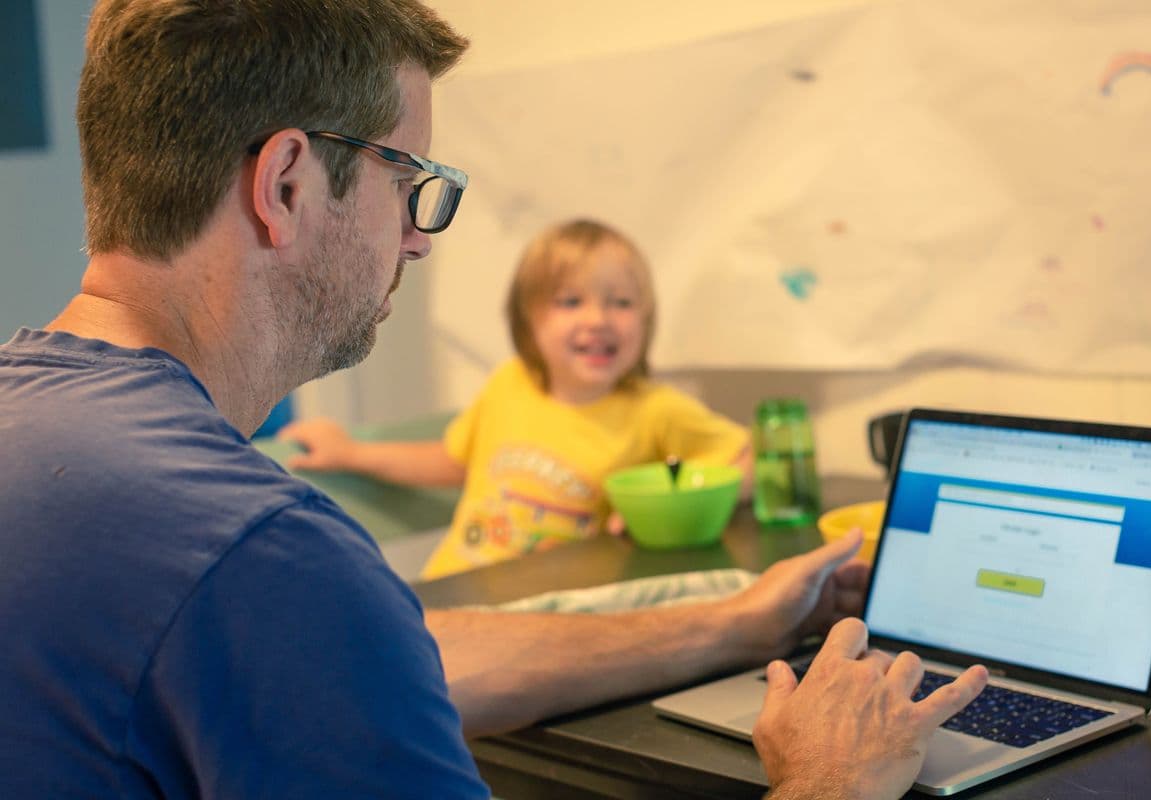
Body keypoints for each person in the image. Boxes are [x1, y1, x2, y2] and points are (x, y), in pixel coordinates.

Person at [0, 1, 986, 798]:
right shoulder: (262, 554)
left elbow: (394, 653)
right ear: (288, 184)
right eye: (408, 183)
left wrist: (734, 623)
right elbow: (320, 625)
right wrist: (830, 780)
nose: (418, 239)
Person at [279, 218, 753, 579]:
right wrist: (352, 453)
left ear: (646, 321)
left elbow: (746, 456)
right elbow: (454, 460)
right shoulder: (511, 383)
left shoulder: (656, 409)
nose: (598, 320)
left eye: (622, 303)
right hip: (455, 586)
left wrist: (668, 505)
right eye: (571, 302)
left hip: (558, 615)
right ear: (529, 320)